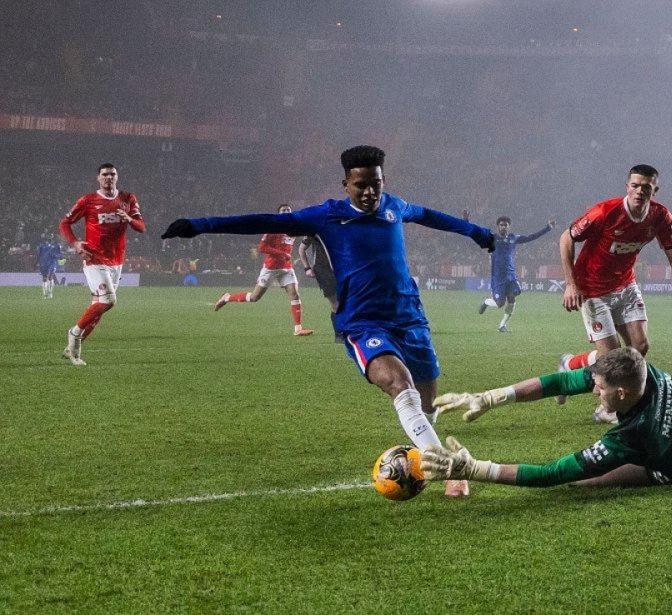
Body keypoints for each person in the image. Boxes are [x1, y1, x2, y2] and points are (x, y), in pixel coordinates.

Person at [161, 144, 496, 496]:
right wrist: (200, 226)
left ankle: (429, 449)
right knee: (400, 384)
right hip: (361, 322)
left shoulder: (395, 207)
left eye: (376, 184)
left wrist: (476, 232)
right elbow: (266, 220)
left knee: (427, 403)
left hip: (410, 317)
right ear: (345, 184)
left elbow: (431, 216)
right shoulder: (326, 216)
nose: (370, 193)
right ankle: (448, 465)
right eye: (361, 185)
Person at [420, 346, 672, 490]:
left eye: (599, 390)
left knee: (582, 480)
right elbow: (560, 382)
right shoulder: (640, 371)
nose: (593, 393)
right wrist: (491, 397)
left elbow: (551, 472)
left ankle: (659, 473)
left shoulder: (632, 434)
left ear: (620, 393)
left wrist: (476, 469)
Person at [557, 165, 672, 420]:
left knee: (639, 346)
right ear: (627, 186)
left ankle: (593, 392)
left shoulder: (661, 217)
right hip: (593, 289)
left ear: (655, 190)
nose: (640, 191)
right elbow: (566, 238)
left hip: (626, 285)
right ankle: (576, 373)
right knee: (613, 358)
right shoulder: (604, 212)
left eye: (646, 187)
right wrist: (571, 284)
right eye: (635, 185)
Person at [59, 163, 145, 364]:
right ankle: (74, 333)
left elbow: (141, 227)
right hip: (94, 258)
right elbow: (64, 223)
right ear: (98, 178)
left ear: (117, 177)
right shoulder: (88, 201)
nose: (109, 177)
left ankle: (72, 351)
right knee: (108, 301)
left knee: (98, 309)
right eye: (105, 174)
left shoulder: (128, 199)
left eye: (112, 174)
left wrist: (129, 219)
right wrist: (75, 243)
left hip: (117, 261)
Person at [213, 205, 314, 335]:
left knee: (294, 294)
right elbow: (262, 247)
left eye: (288, 210)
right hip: (270, 268)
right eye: (283, 210)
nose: (287, 211)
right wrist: (281, 254)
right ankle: (227, 297)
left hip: (286, 267)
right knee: (254, 297)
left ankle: (298, 329)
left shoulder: (293, 229)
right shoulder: (272, 228)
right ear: (278, 214)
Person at [477, 216, 553, 331]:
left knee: (512, 299)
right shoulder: (492, 238)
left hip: (511, 276)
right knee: (500, 304)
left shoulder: (514, 238)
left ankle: (502, 325)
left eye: (505, 225)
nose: (503, 227)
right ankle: (486, 302)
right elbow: (477, 234)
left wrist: (547, 228)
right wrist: (465, 222)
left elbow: (530, 237)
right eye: (501, 225)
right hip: (498, 277)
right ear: (498, 227)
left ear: (509, 227)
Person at [36, 233, 63, 298]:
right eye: (49, 236)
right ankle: (45, 294)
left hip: (52, 264)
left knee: (50, 277)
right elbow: (38, 255)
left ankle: (50, 293)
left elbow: (60, 255)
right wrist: (37, 262)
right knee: (44, 278)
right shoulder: (42, 246)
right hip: (44, 264)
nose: (50, 238)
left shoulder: (56, 246)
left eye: (51, 236)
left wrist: (56, 256)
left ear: (53, 238)